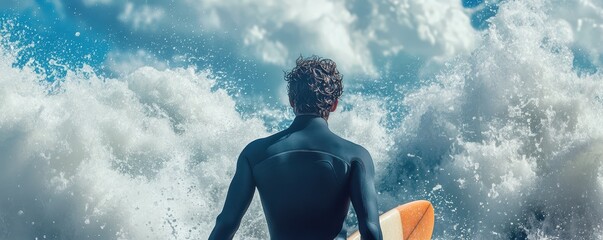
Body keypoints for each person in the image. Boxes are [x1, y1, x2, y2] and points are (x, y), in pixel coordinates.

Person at [209, 56, 382, 240]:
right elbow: (370, 230)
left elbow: (226, 224)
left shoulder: (254, 153)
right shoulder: (356, 156)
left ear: (291, 101)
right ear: (334, 105)